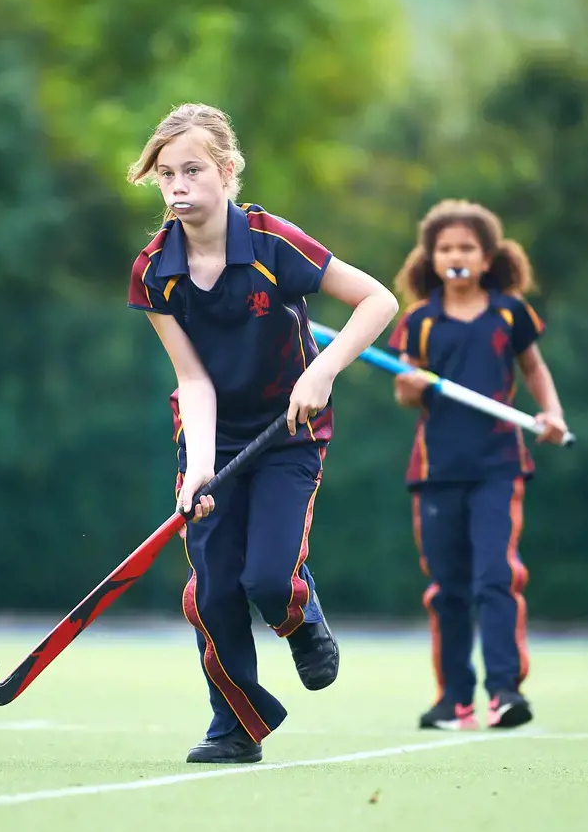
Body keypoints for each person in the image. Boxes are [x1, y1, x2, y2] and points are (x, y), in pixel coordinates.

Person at [127, 103, 398, 764]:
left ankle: (299, 615)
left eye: (192, 170)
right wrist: (196, 468)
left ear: (226, 172)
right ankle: (235, 725)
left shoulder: (273, 244)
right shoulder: (153, 270)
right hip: (212, 435)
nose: (178, 186)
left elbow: (378, 300)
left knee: (269, 579)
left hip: (290, 429)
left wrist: (324, 371)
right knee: (213, 590)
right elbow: (192, 379)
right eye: (166, 175)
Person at [388, 199, 566, 732]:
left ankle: (505, 692)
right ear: (432, 258)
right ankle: (454, 700)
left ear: (487, 258)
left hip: (498, 465)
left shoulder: (509, 312)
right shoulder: (418, 320)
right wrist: (410, 384)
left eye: (467, 247)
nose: (456, 256)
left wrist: (551, 412)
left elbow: (533, 368)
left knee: (496, 576)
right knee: (448, 589)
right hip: (436, 469)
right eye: (446, 249)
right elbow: (404, 392)